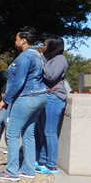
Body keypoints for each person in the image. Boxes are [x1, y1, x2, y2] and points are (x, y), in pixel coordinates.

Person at [0, 27, 48, 181]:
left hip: (26, 97)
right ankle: (28, 169)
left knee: (12, 134)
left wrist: (5, 100)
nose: (15, 41)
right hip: (40, 96)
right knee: (28, 134)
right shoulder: (38, 55)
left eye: (17, 39)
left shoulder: (25, 57)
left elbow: (19, 82)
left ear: (23, 40)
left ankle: (11, 171)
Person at [36, 36, 69, 174]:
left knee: (50, 132)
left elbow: (51, 77)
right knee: (42, 130)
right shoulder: (50, 59)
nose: (42, 47)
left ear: (52, 46)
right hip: (46, 96)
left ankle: (51, 164)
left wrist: (41, 62)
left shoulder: (60, 59)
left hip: (54, 97)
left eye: (44, 45)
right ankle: (42, 160)